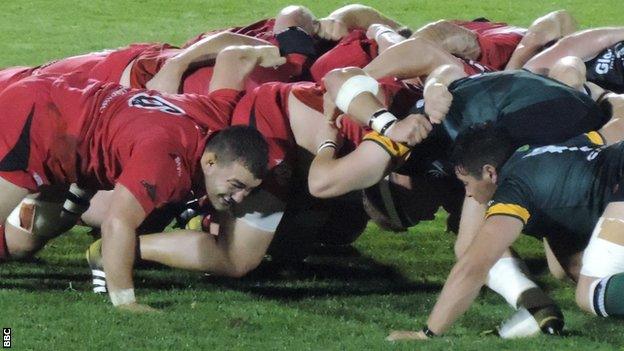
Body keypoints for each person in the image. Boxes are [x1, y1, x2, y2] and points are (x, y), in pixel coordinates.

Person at [0, 45, 280, 310]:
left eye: (249, 190)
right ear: (210, 161)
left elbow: (233, 55)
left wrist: (266, 51)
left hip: (64, 120)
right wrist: (126, 301)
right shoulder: (166, 160)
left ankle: (76, 197)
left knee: (23, 243)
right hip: (33, 122)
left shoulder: (217, 114)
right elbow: (117, 223)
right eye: (237, 185)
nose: (241, 198)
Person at [388, 121, 624, 340]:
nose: (468, 194)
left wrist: (427, 332)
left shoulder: (513, 189)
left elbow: (474, 265)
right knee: (572, 269)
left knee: (591, 292)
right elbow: (612, 131)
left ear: (490, 172)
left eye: (467, 183)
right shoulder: (537, 151)